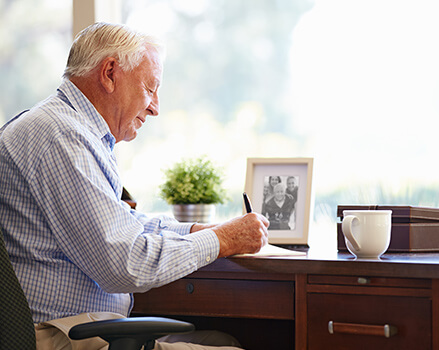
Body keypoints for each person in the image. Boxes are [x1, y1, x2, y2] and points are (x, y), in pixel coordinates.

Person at [0, 22, 269, 349]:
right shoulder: (61, 136)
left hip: (82, 326)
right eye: (150, 87)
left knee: (221, 338)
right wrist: (222, 239)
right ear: (110, 73)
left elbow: (120, 224)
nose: (155, 106)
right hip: (59, 334)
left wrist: (197, 230)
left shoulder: (69, 129)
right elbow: (125, 265)